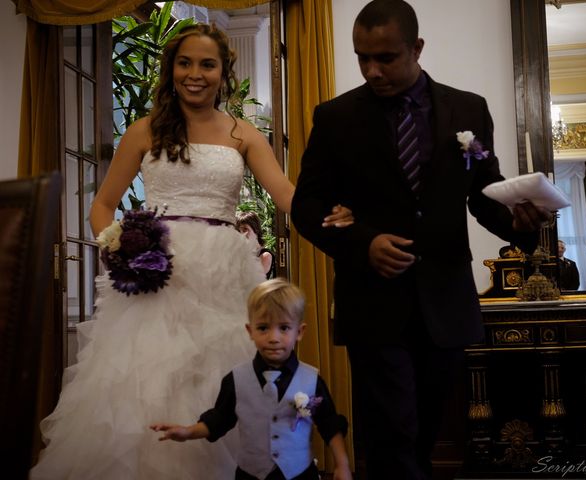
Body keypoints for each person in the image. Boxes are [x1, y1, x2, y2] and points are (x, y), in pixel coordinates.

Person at [31, 23, 352, 480]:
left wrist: (329, 214)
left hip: (224, 271)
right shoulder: (143, 132)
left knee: (227, 370)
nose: (194, 73)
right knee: (150, 375)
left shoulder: (243, 134)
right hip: (158, 271)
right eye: (185, 63)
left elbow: (286, 194)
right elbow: (102, 206)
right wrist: (117, 246)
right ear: (171, 70)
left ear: (224, 73)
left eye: (207, 64)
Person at [289, 1, 551, 478]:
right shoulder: (335, 117)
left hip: (445, 301)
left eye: (385, 58)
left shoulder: (469, 109)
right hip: (373, 303)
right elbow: (306, 207)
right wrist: (363, 243)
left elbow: (482, 193)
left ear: (417, 48)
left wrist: (517, 224)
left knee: (425, 431)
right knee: (393, 436)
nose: (372, 70)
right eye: (361, 57)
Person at [150, 278, 353, 480]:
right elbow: (219, 419)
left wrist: (342, 464)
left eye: (284, 328)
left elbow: (329, 424)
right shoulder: (236, 379)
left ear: (299, 332)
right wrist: (187, 432)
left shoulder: (311, 380)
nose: (273, 338)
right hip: (250, 475)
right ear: (250, 331)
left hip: (299, 475)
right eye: (263, 328)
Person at [237, 210, 276, 279]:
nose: (241, 234)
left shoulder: (265, 255)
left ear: (256, 230)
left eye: (245, 229)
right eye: (239, 231)